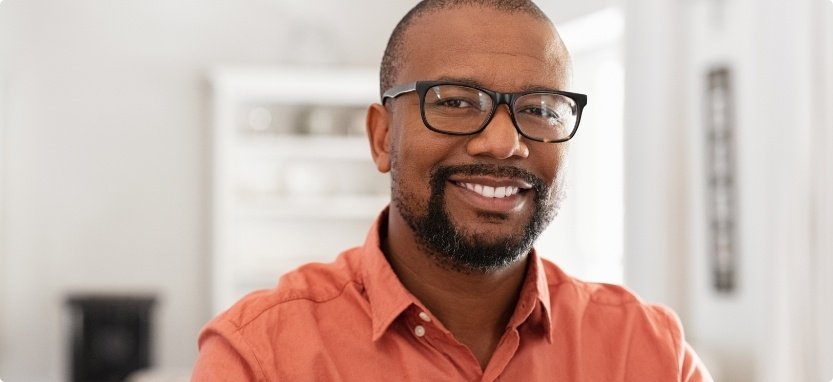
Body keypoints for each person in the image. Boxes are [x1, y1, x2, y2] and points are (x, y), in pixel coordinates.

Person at [192, 1, 713, 380]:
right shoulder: (262, 355)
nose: (504, 143)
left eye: (539, 109)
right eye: (457, 102)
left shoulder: (647, 353)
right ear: (382, 138)